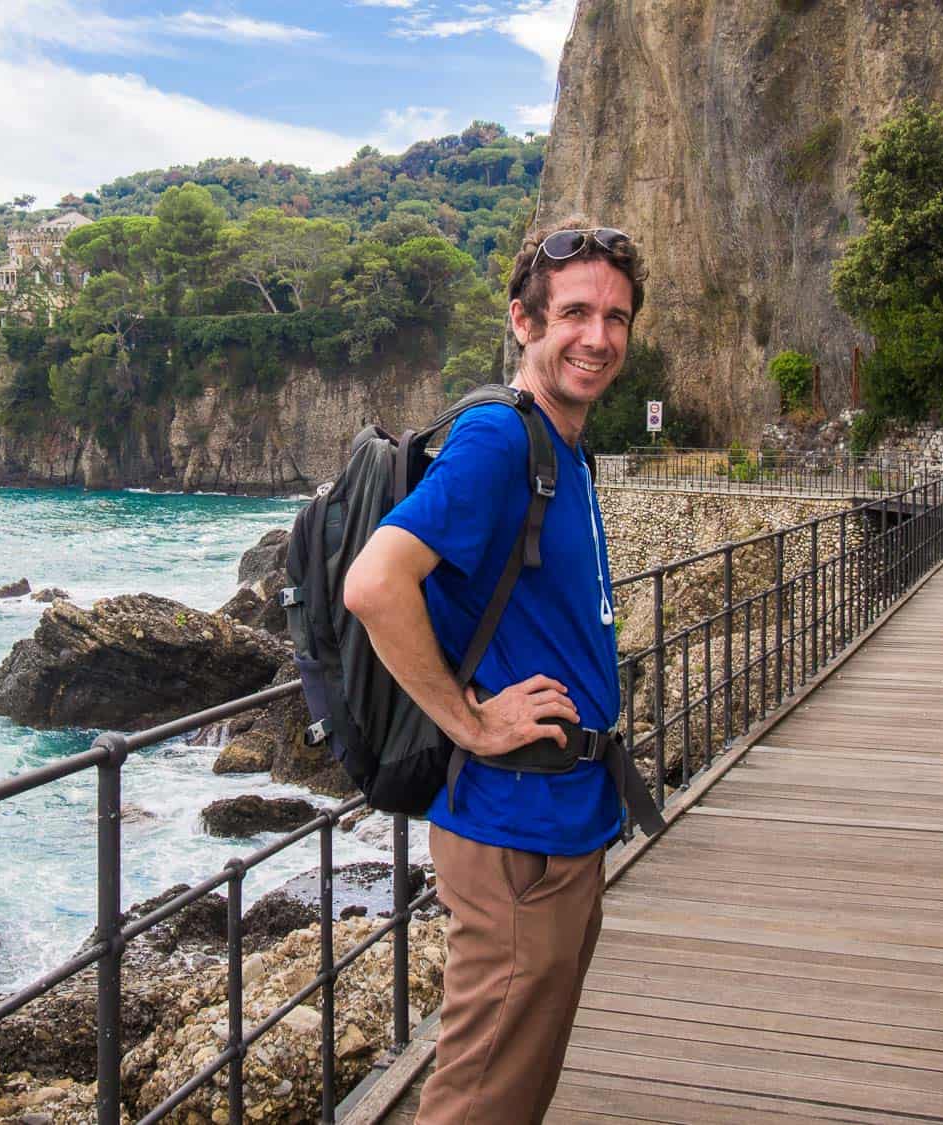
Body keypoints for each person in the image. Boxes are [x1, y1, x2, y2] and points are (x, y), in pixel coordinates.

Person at [343, 222, 646, 1123]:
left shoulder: (565, 448)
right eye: (576, 314)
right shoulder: (499, 441)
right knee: (477, 1102)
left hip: (561, 822)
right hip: (514, 828)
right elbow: (373, 582)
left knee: (514, 1088)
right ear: (524, 321)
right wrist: (469, 722)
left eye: (616, 317)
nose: (598, 336)